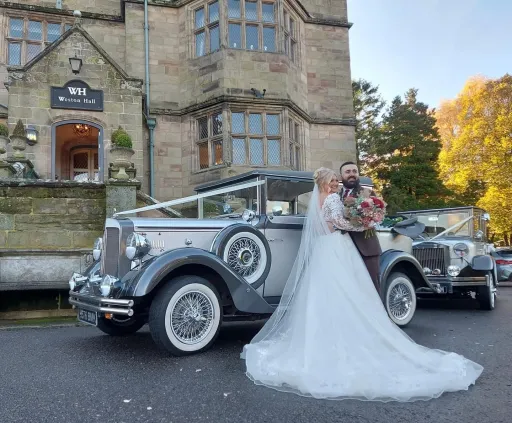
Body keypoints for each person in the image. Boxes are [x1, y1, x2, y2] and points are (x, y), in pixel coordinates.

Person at [241, 167, 483, 402]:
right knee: (348, 290)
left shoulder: (315, 200)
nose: (336, 183)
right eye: (333, 180)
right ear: (326, 182)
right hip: (337, 245)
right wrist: (364, 223)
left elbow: (326, 223)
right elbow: (338, 224)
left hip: (323, 250)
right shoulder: (333, 199)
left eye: (338, 179)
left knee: (323, 294)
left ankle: (322, 338)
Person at [339, 161, 382, 293]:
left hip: (367, 248)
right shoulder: (335, 196)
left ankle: (376, 313)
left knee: (371, 287)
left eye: (354, 171)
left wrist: (367, 219)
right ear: (341, 176)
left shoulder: (368, 193)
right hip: (343, 250)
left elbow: (378, 217)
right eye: (348, 172)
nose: (352, 174)